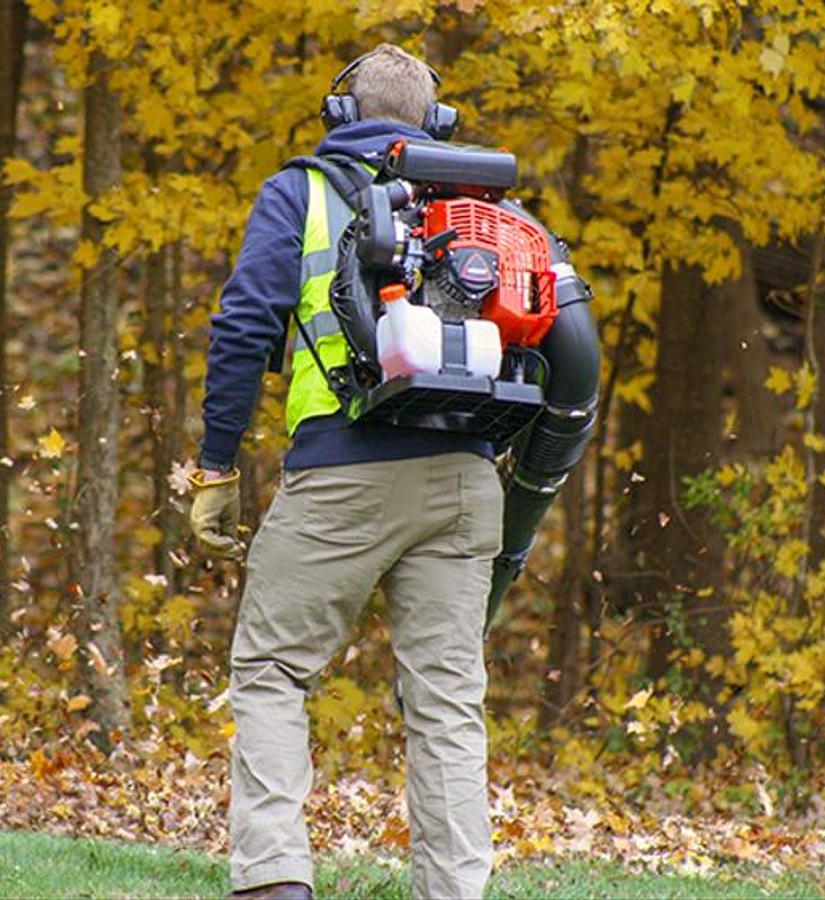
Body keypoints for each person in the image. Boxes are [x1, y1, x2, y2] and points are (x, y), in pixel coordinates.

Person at [189, 44, 599, 900]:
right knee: (446, 701)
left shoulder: (300, 192)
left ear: (341, 114)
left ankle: (274, 878)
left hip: (340, 475)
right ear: (437, 123)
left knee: (272, 670)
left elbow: (243, 326)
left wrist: (217, 465)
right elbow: (567, 348)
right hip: (465, 482)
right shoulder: (490, 211)